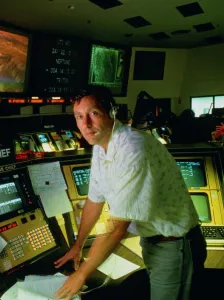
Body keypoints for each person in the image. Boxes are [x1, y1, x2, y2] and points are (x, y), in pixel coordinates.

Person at [54, 86, 207, 300]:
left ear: (112, 113)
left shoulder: (133, 148)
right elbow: (94, 200)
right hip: (152, 241)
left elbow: (118, 226)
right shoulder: (101, 146)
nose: (85, 124)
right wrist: (78, 245)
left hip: (175, 245)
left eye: (93, 114)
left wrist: (82, 274)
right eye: (79, 116)